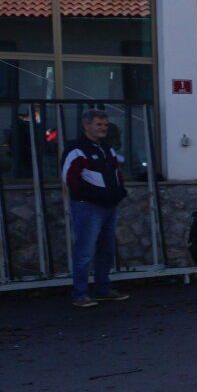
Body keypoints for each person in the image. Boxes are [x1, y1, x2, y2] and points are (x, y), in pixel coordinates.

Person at [62, 108, 129, 309]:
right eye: (99, 124)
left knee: (106, 250)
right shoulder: (76, 149)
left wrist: (119, 192)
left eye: (105, 125)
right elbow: (69, 179)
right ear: (86, 125)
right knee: (85, 251)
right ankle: (80, 293)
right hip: (88, 207)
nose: (103, 128)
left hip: (109, 206)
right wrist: (92, 196)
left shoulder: (107, 149)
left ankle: (103, 289)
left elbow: (117, 173)